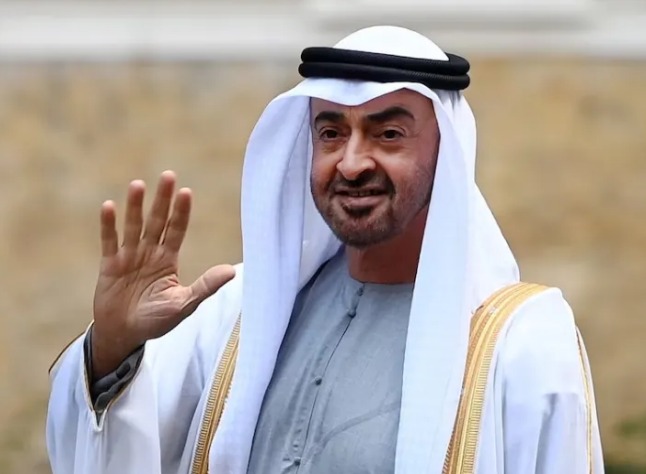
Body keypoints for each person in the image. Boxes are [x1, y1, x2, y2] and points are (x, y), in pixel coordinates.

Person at [46, 25, 604, 474]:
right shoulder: (238, 312)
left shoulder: (521, 341)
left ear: (446, 154)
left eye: (388, 135)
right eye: (331, 133)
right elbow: (106, 450)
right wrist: (113, 346)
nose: (352, 163)